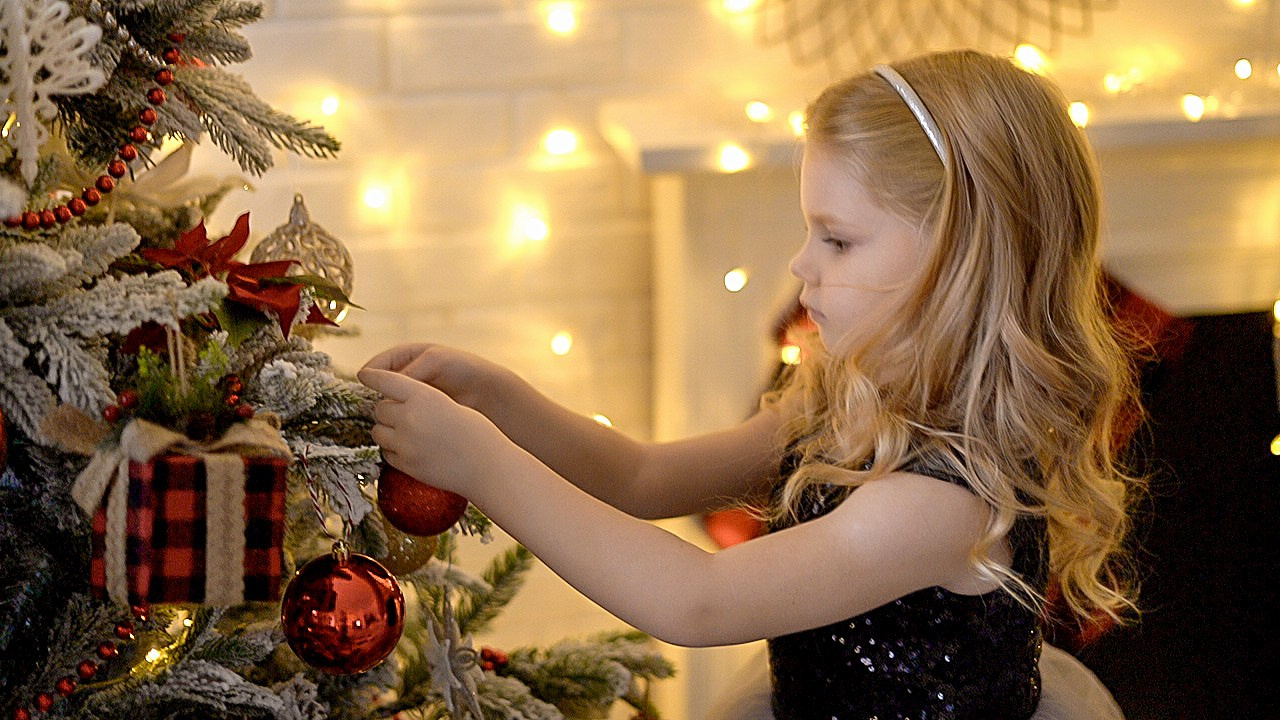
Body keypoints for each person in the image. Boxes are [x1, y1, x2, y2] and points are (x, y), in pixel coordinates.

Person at [359, 49, 1139, 719]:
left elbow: (697, 601)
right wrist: (500, 401)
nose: (802, 263)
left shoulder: (942, 499)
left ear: (961, 258)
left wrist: (481, 466)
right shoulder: (843, 402)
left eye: (838, 239)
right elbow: (643, 477)